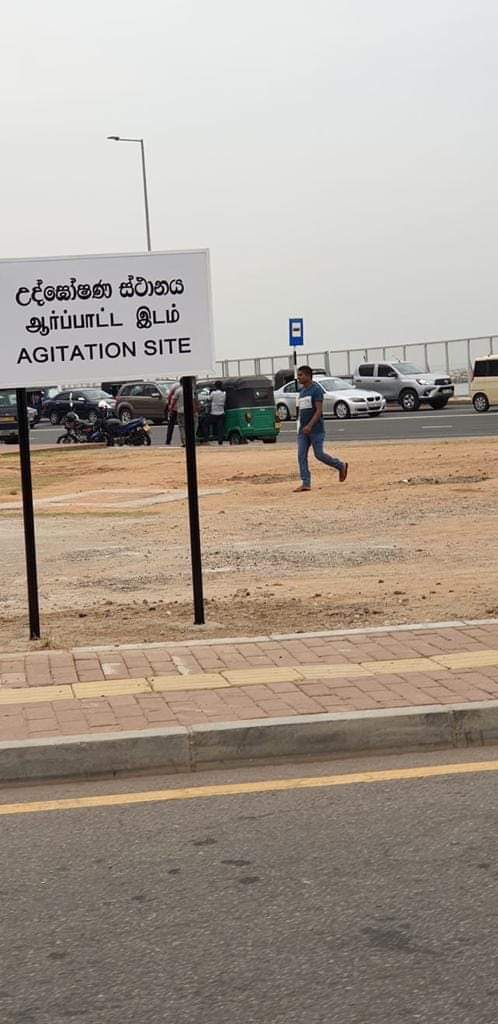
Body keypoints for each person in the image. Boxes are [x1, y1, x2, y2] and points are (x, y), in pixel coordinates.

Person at [294, 365, 348, 491]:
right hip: (303, 431)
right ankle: (306, 483)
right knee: (301, 455)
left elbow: (319, 411)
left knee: (319, 454)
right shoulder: (302, 392)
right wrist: (301, 426)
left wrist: (310, 425)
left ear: (308, 376)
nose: (298, 377)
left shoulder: (316, 390)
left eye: (301, 375)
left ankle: (340, 466)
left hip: (316, 430)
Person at [174, 382, 199, 446]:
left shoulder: (178, 390)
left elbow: (174, 401)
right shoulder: (190, 390)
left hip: (180, 411)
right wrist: (195, 410)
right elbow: (193, 400)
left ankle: (184, 441)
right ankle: (192, 439)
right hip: (190, 411)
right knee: (194, 424)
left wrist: (171, 409)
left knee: (182, 426)